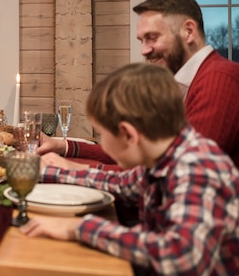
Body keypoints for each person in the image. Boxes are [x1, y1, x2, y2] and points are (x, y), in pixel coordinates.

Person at [21, 63, 239, 275]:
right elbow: (118, 183)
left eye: (102, 135)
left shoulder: (195, 167)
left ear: (128, 134)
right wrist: (41, 171)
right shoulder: (166, 157)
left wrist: (78, 228)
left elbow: (179, 255)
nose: (102, 144)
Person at [37, 0, 239, 169]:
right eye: (142, 41)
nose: (144, 50)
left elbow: (174, 173)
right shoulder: (183, 82)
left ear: (188, 31)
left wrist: (73, 169)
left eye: (152, 37)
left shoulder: (219, 80)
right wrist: (64, 147)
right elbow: (136, 152)